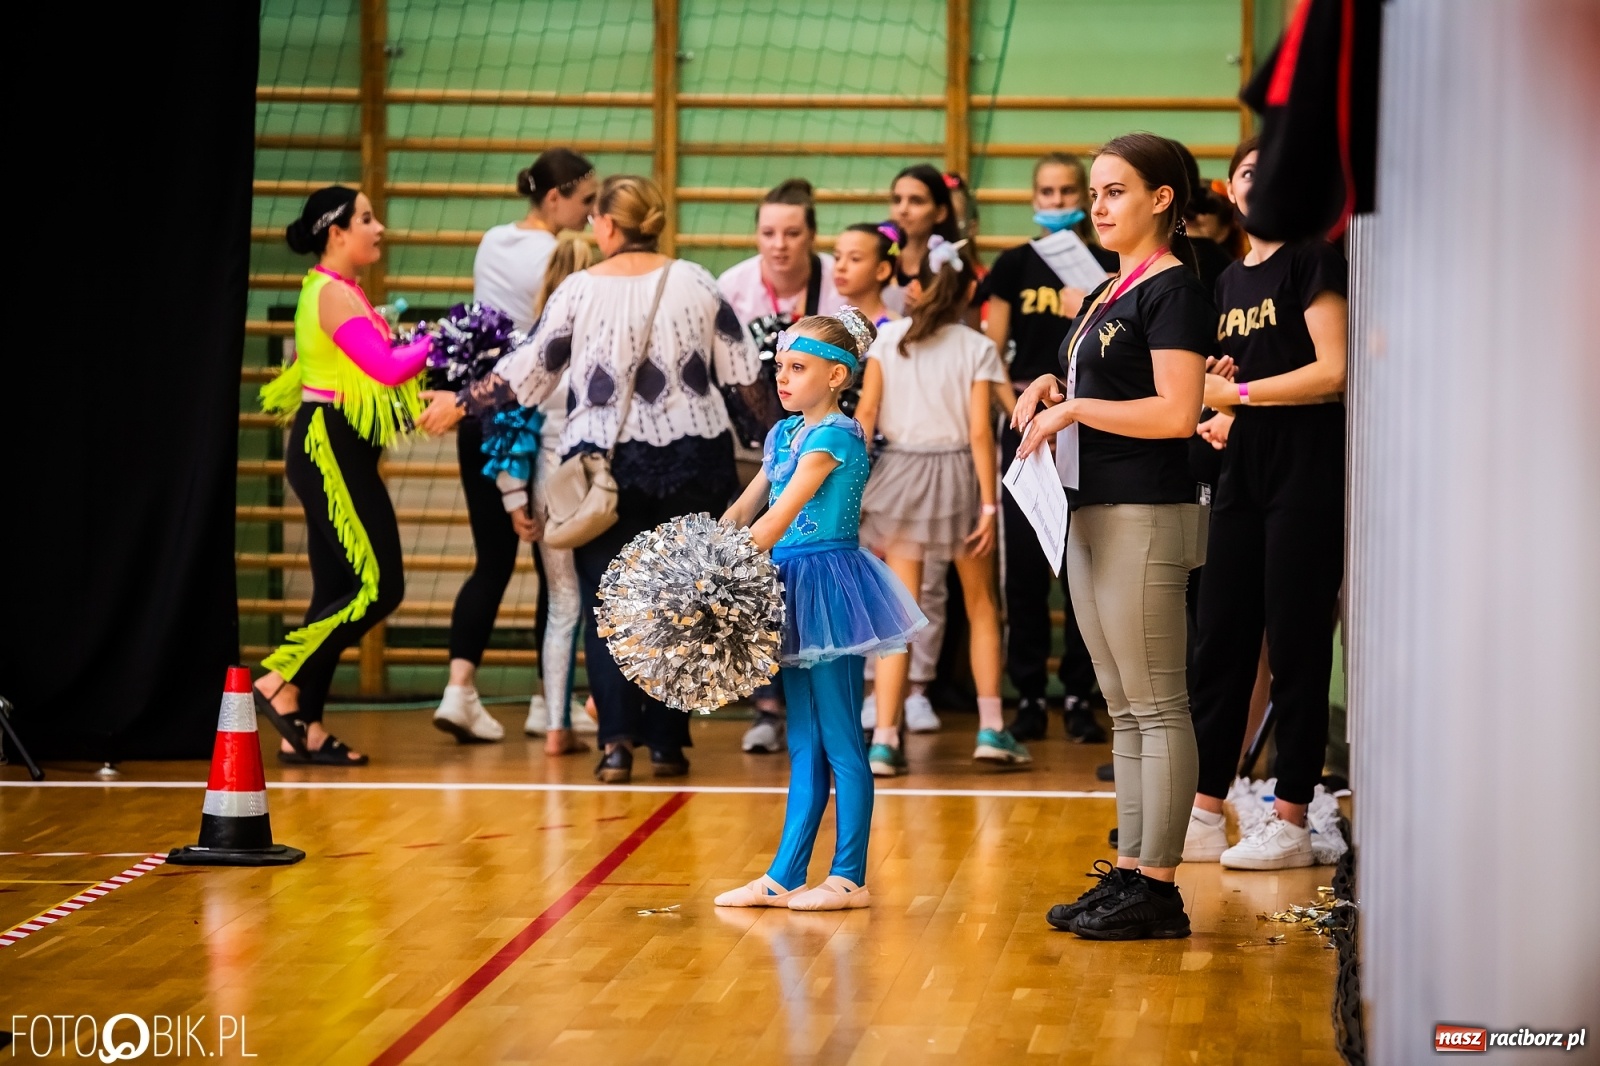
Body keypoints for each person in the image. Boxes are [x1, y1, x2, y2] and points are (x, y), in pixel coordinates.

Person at [423, 175, 761, 785]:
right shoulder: (697, 280)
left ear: (605, 225)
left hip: (606, 465)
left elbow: (529, 372)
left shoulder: (578, 290)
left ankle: (614, 745)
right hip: (697, 459)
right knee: (681, 600)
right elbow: (742, 377)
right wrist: (776, 446)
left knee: (610, 602)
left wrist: (461, 403)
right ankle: (667, 745)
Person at [1015, 133, 1214, 939]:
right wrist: (1053, 384)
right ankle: (1131, 870)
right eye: (1094, 192)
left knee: (1159, 705)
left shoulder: (1173, 290)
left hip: (1147, 511)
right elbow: (1110, 382)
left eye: (1115, 191)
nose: (1097, 206)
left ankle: (1160, 890)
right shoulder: (1109, 289)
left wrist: (1076, 408)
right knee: (1123, 707)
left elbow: (1174, 413)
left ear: (1162, 199)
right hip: (1090, 506)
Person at [714, 310, 924, 911]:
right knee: (802, 736)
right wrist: (700, 549)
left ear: (837, 376)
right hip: (786, 582)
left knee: (839, 736)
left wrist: (718, 568)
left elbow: (777, 520)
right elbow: (746, 506)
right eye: (779, 366)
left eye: (798, 368)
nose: (782, 378)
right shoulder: (782, 434)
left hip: (827, 584)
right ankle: (784, 873)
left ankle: (850, 875)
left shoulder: (836, 436)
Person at [1182, 139, 1348, 870]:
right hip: (1242, 469)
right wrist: (1223, 398)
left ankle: (1291, 820)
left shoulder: (1312, 260)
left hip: (1305, 471)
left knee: (1297, 644)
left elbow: (1333, 371)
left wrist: (1236, 394)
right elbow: (1238, 376)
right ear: (1231, 187)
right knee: (1219, 641)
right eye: (1251, 173)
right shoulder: (1226, 281)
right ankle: (1203, 811)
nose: (1264, 184)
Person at [251, 186, 433, 766]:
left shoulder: (342, 292)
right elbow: (382, 368)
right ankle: (279, 679)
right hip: (327, 449)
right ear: (336, 232)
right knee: (379, 587)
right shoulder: (330, 295)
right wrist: (446, 340)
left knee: (335, 592)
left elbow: (358, 380)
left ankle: (300, 728)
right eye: (366, 218)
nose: (378, 228)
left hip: (338, 445)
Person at [431, 149, 597, 749]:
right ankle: (547, 699)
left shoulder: (493, 241)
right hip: (533, 415)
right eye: (585, 201)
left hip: (483, 411)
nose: (590, 212)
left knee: (493, 559)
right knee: (559, 572)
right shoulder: (568, 258)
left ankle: (460, 688)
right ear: (555, 198)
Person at [856, 236, 1028, 774]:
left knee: (898, 615)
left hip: (899, 476)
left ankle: (885, 737)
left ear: (914, 288)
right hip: (957, 476)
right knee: (980, 606)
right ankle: (992, 728)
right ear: (969, 290)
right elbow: (984, 430)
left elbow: (864, 420)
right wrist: (989, 506)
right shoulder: (976, 346)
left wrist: (850, 487)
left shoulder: (887, 341)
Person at [981, 152, 1117, 745]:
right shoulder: (1014, 264)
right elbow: (993, 350)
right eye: (1048, 191)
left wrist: (1088, 301)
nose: (1058, 202)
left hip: (1092, 433)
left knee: (1085, 569)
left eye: (1068, 192)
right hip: (1028, 433)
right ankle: (1030, 695)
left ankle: (1083, 696)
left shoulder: (1110, 264)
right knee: (1027, 578)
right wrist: (1017, 405)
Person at [718, 179, 844, 756]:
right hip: (760, 440)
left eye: (792, 233)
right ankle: (766, 708)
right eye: (768, 232)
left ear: (811, 237)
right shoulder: (734, 286)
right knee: (763, 591)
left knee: (790, 587)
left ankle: (836, 716)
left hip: (818, 442)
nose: (779, 244)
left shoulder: (834, 282)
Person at [486, 232, 601, 755]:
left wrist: (513, 500)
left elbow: (504, 428)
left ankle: (556, 724)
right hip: (601, 483)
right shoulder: (607, 343)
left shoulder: (529, 348)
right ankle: (609, 714)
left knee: (563, 605)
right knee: (611, 601)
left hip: (546, 484)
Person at [885, 164, 961, 312]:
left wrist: (932, 309)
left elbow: (970, 331)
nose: (902, 210)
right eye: (897, 200)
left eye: (916, 201)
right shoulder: (877, 261)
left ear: (940, 213)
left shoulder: (952, 268)